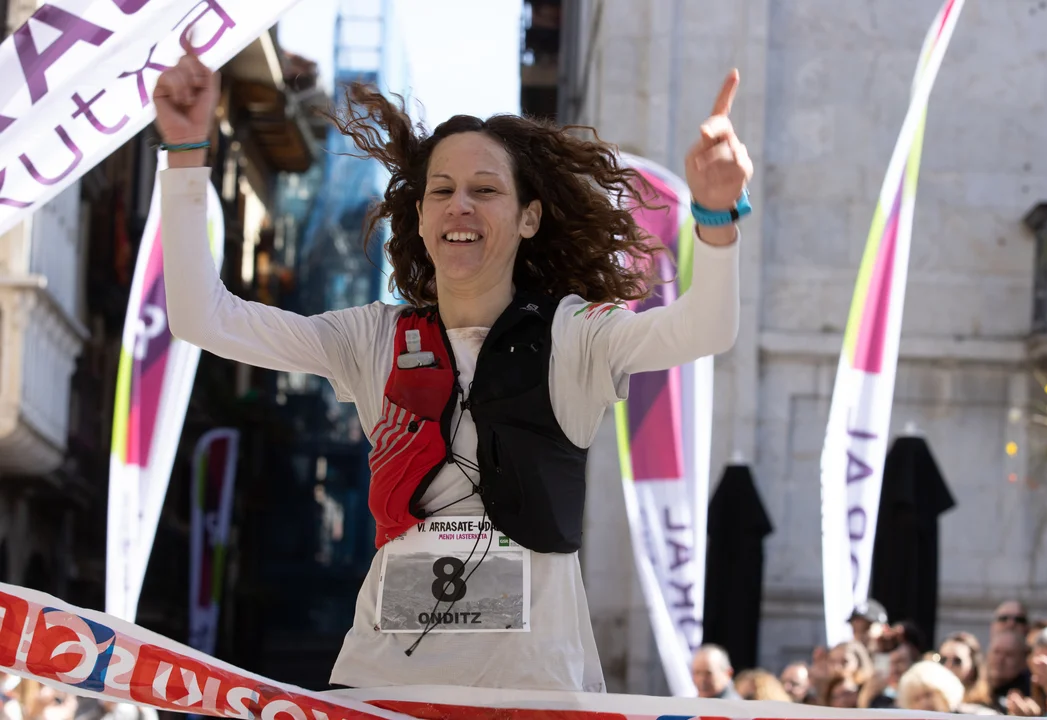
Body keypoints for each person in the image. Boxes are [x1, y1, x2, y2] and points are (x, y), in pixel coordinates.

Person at [152, 45, 749, 693]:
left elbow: (704, 329)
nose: (459, 205)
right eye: (442, 190)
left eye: (484, 190)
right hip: (385, 688)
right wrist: (185, 154)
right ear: (421, 217)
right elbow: (203, 317)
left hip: (532, 694)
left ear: (529, 217)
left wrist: (716, 217)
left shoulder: (576, 336)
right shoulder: (371, 338)